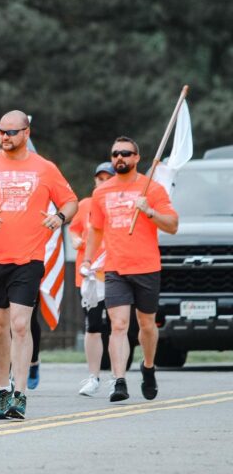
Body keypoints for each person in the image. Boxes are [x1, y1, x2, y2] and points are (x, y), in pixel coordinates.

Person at [0, 110, 78, 419]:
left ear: (26, 133)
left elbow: (70, 201)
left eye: (12, 132)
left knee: (20, 324)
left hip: (28, 258)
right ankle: (0, 390)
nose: (5, 137)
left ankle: (19, 394)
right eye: (1, 132)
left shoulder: (44, 168)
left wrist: (59, 217)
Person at [83, 137, 178, 402]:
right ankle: (119, 380)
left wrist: (149, 212)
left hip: (147, 266)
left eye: (125, 153)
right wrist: (88, 261)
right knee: (119, 324)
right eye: (115, 154)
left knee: (146, 325)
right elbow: (96, 231)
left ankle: (148, 367)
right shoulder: (101, 192)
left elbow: (172, 225)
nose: (119, 158)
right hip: (115, 268)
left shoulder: (152, 189)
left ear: (137, 158)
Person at [70, 162, 115, 396]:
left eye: (108, 178)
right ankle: (94, 376)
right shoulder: (85, 204)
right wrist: (76, 239)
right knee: (93, 325)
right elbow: (75, 228)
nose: (103, 182)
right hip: (90, 275)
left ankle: (118, 378)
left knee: (119, 326)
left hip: (116, 272)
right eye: (100, 178)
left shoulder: (119, 204)